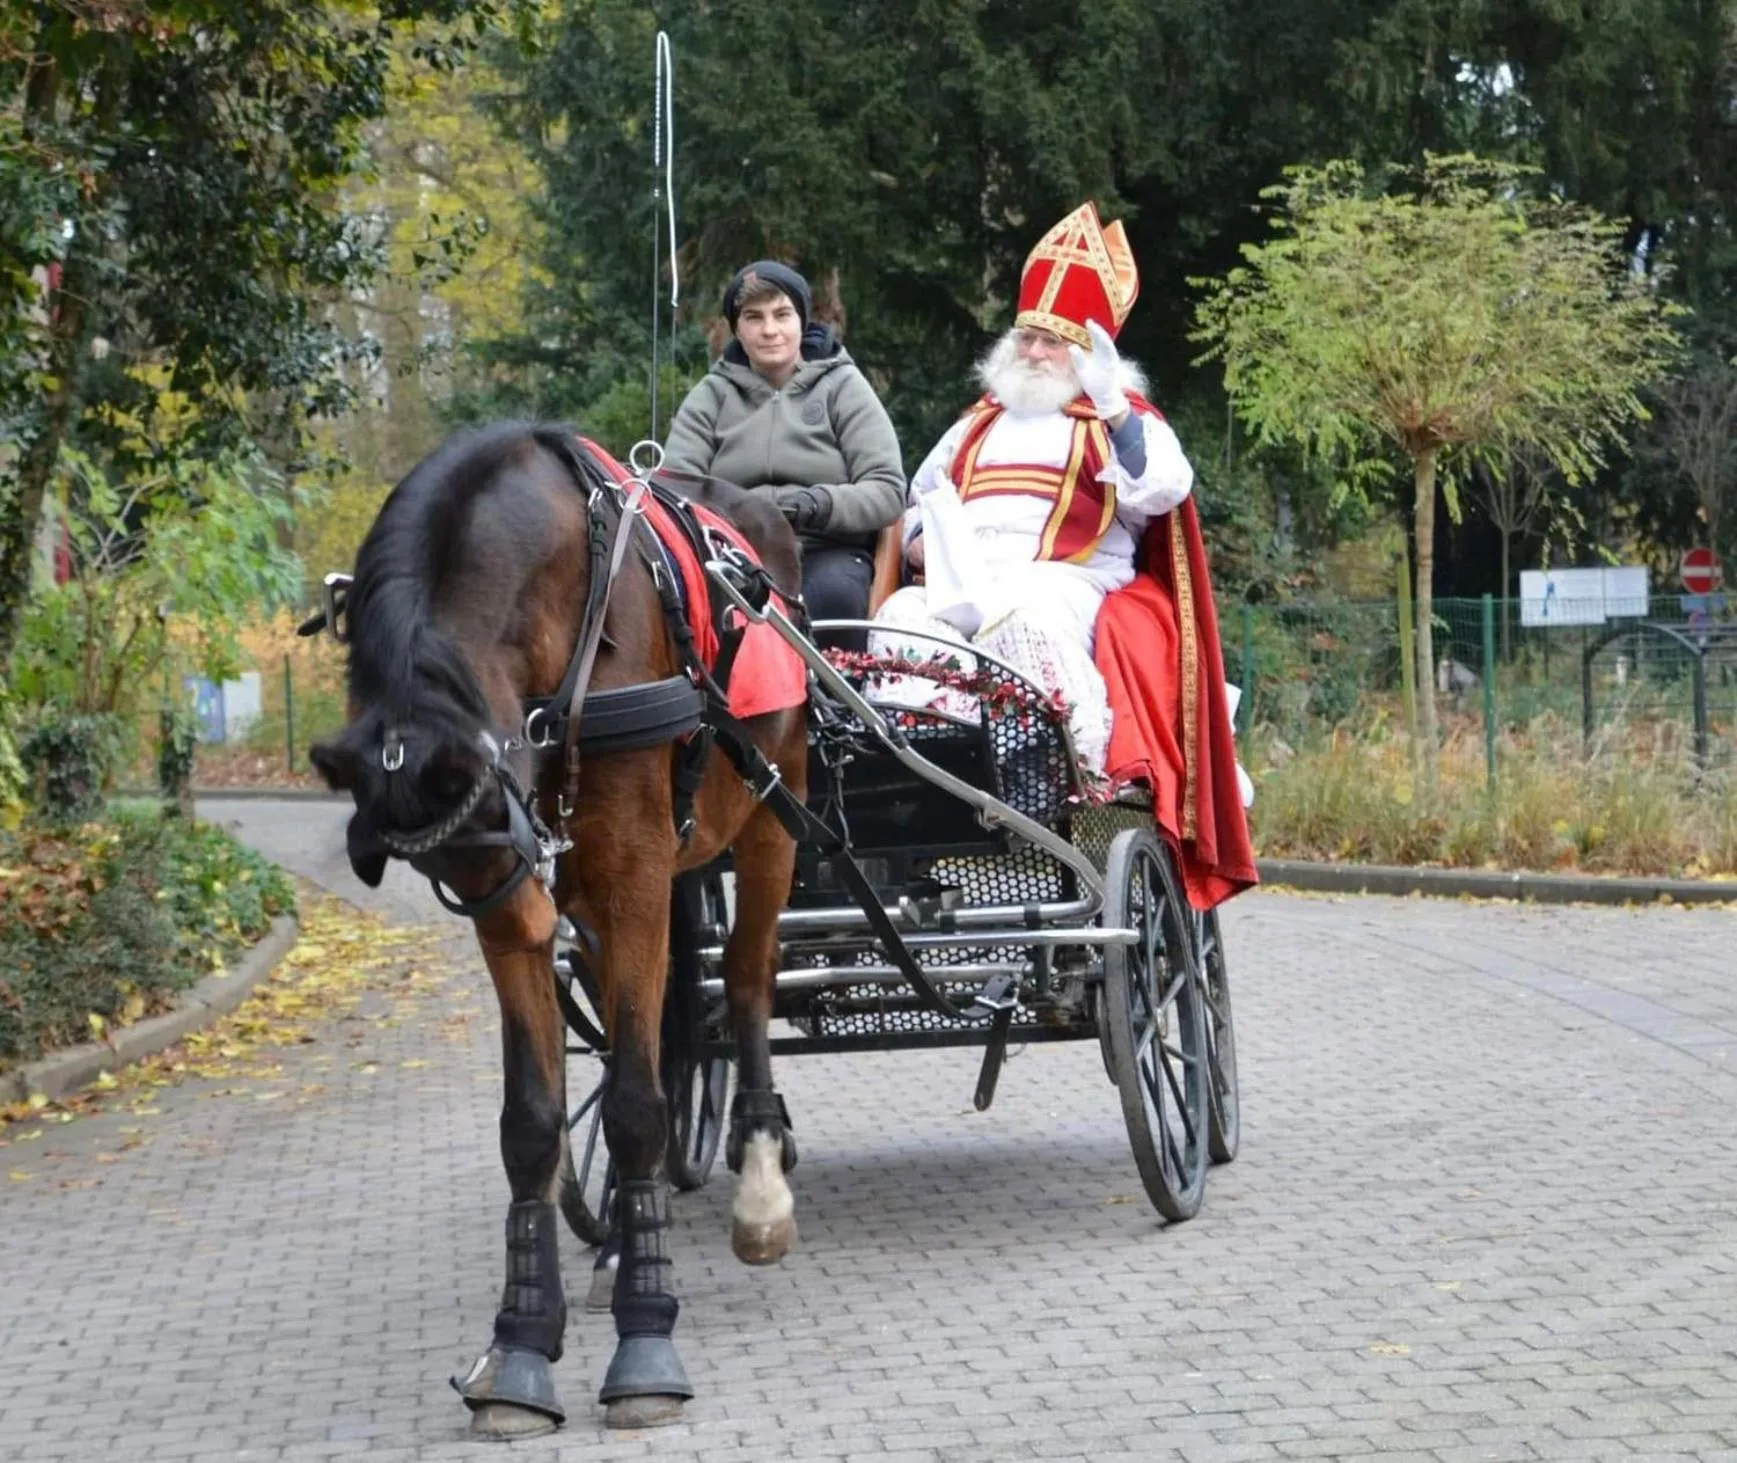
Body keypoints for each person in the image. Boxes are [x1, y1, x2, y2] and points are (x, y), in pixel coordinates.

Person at [870, 202, 1193, 773]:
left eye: (1054, 341)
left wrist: (1114, 407)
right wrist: (920, 541)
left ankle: (1046, 770)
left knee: (1022, 616)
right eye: (1028, 339)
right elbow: (920, 497)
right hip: (960, 583)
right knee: (901, 613)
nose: (1037, 353)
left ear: (1090, 353)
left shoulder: (1121, 420)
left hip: (1065, 586)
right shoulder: (977, 422)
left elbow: (1165, 489)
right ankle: (919, 771)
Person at [663, 260, 905, 648]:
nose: (770, 330)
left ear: (802, 320)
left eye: (782, 314)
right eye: (753, 317)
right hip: (733, 552)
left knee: (833, 597)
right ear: (737, 328)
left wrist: (814, 504)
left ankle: (835, 706)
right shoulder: (711, 395)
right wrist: (739, 516)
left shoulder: (842, 385)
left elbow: (888, 490)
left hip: (825, 547)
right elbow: (674, 491)